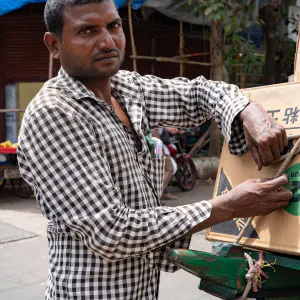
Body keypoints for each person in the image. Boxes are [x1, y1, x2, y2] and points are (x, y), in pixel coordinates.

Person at [17, 0, 292, 299]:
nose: (107, 42)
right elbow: (112, 231)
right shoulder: (54, 115)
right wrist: (228, 207)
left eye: (113, 26)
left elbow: (199, 94)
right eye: (87, 31)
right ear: (55, 44)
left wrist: (247, 110)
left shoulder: (125, 88)